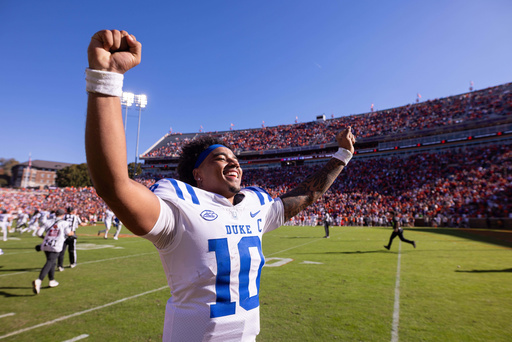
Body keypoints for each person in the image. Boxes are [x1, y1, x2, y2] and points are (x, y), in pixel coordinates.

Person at [85, 29, 356, 341]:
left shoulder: (254, 207)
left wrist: (343, 156)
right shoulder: (179, 206)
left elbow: (306, 195)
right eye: (220, 158)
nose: (234, 162)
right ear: (197, 174)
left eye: (235, 157)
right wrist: (106, 81)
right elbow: (113, 185)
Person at [32, 209, 73, 295]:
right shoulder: (64, 223)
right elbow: (68, 233)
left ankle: (52, 280)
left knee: (52, 262)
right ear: (62, 215)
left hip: (46, 244)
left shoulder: (48, 221)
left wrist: (45, 238)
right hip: (56, 244)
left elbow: (39, 233)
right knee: (50, 261)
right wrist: (72, 233)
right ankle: (39, 280)